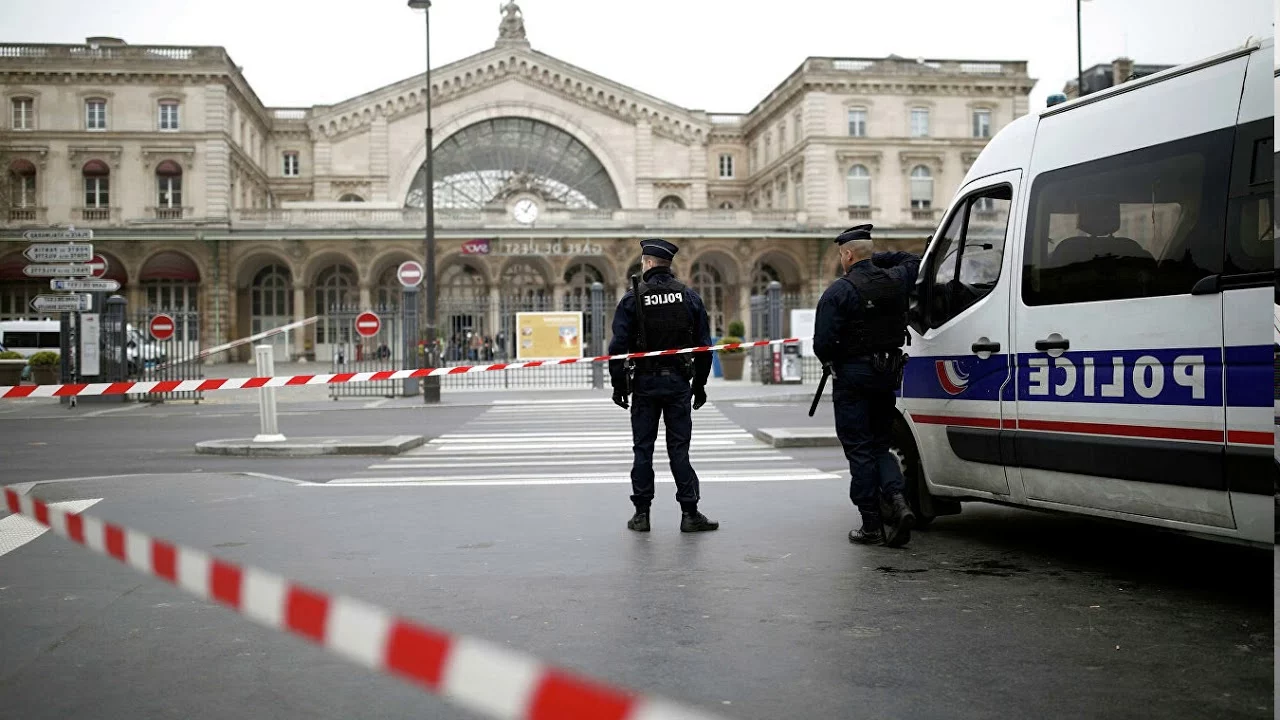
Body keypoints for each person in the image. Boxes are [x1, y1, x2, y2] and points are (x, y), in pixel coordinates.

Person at [813, 224, 920, 548]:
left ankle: (871, 524)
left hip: (853, 379)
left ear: (846, 255)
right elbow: (913, 259)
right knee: (879, 445)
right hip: (887, 374)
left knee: (859, 448)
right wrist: (873, 258)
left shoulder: (839, 291)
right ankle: (898, 501)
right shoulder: (897, 279)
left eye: (843, 254)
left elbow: (822, 344)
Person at [608, 238, 719, 533]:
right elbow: (704, 347)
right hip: (678, 383)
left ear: (646, 263)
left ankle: (642, 514)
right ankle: (690, 513)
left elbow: (618, 347)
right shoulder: (688, 297)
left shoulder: (633, 298)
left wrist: (619, 386)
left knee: (643, 449)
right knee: (679, 450)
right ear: (669, 264)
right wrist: (701, 384)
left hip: (644, 384)